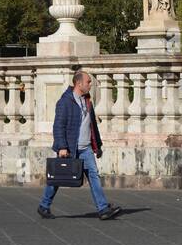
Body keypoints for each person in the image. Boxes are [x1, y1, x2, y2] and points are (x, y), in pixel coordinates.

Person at [38, 69, 122, 221]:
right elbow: (58, 126)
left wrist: (98, 146)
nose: (91, 84)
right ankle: (44, 205)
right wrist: (62, 147)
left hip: (86, 148)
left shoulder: (87, 100)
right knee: (58, 178)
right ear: (78, 83)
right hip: (69, 147)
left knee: (93, 176)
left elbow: (92, 126)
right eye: (88, 82)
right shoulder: (65, 102)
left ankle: (103, 209)